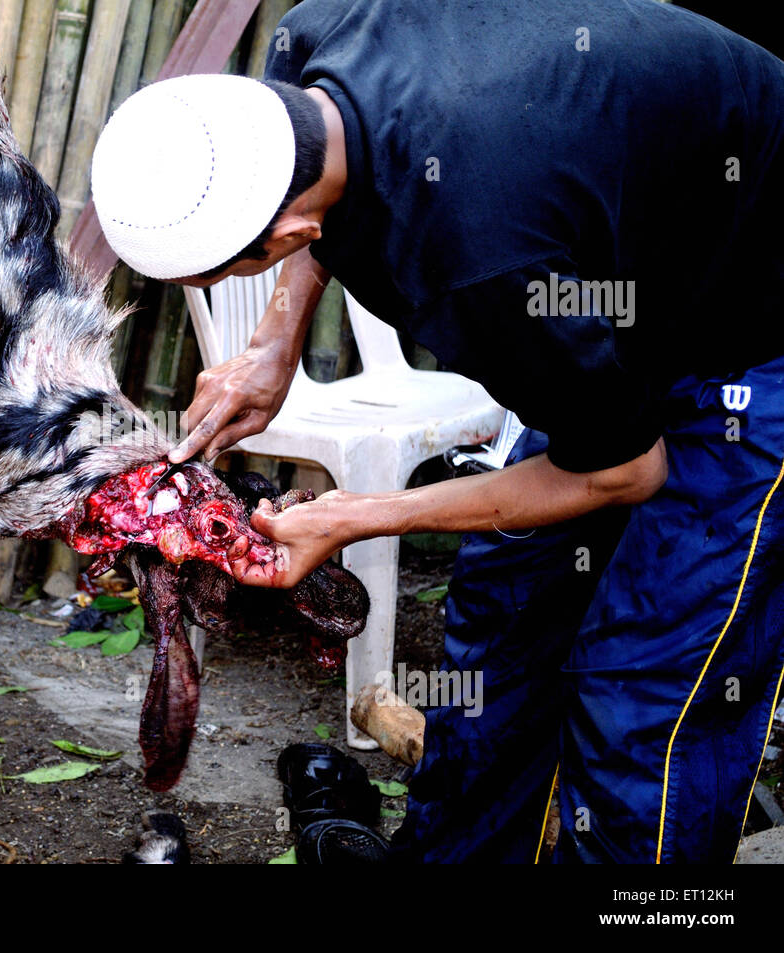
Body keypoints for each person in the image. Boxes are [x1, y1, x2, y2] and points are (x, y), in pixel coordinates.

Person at [89, 0, 784, 863]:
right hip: (631, 277)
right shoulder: (314, 38)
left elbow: (625, 472)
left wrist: (351, 516)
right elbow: (308, 188)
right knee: (504, 616)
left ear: (290, 233)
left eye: (245, 261)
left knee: (644, 692)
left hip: (759, 331)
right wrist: (275, 341)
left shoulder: (480, 256)